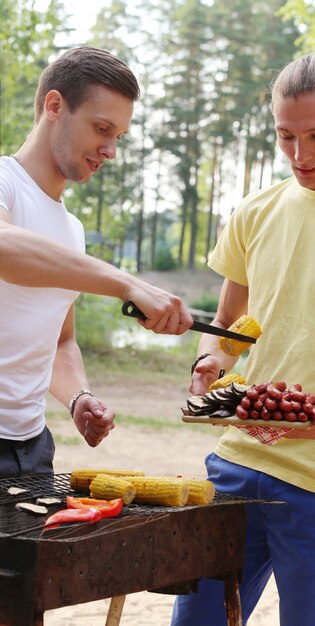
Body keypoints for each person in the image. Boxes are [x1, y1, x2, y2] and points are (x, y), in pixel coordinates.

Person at [171, 54, 315, 626]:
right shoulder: (255, 211)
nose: (300, 154)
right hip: (236, 466)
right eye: (285, 136)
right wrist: (209, 362)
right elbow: (227, 332)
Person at [0, 46, 193, 479]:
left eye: (119, 137)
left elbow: (60, 341)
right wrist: (126, 283)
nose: (111, 151)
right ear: (54, 105)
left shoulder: (72, 231)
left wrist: (77, 397)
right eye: (102, 128)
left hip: (31, 451)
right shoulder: (4, 185)